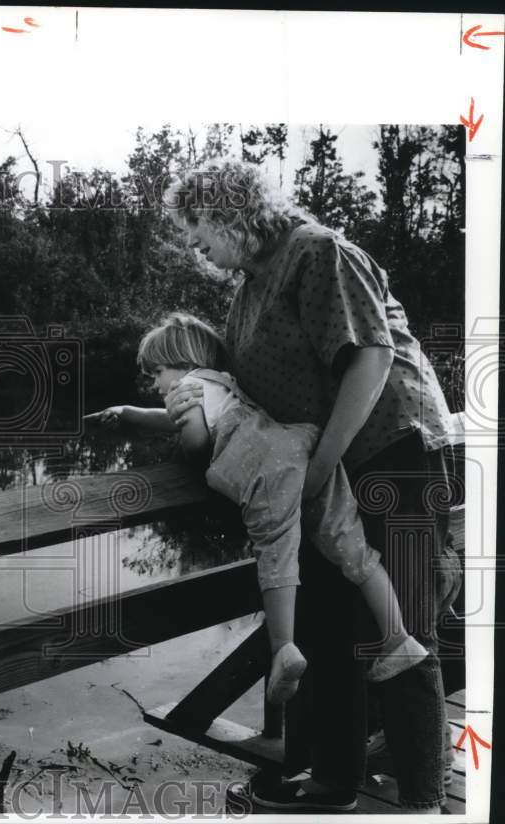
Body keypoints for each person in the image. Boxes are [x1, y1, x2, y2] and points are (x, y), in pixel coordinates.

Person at [159, 160, 459, 814]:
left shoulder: (316, 252)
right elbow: (233, 398)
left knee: (401, 629)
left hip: (389, 455)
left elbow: (372, 359)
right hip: (319, 476)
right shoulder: (249, 286)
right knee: (325, 627)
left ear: (231, 210)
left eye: (198, 226)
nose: (194, 244)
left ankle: (421, 804)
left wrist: (322, 464)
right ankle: (332, 785)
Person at [85, 314, 429, 713]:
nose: (155, 384)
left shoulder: (187, 389)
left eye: (157, 373)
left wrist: (184, 439)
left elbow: (195, 441)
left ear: (180, 362)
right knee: (349, 544)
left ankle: (284, 647)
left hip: (264, 468)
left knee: (276, 552)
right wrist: (129, 412)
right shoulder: (218, 384)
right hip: (299, 444)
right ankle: (398, 637)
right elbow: (173, 419)